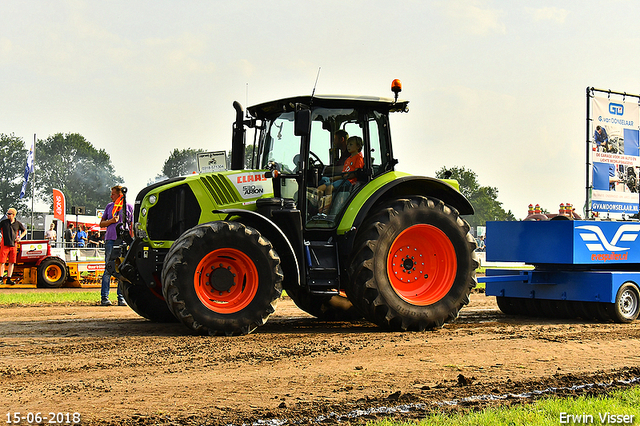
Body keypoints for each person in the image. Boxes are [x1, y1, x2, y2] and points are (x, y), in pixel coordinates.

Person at [99, 185, 133, 306]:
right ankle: (104, 297)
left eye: (113, 194)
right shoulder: (109, 206)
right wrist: (111, 221)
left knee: (121, 268)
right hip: (110, 240)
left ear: (120, 195)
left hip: (123, 240)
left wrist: (132, 240)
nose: (111, 196)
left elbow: (132, 224)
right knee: (109, 267)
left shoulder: (129, 207)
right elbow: (101, 223)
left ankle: (121, 297)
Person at [317, 136, 364, 214]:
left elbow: (354, 174)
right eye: (348, 144)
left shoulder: (358, 158)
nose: (348, 146)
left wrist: (337, 177)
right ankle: (319, 209)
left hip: (349, 181)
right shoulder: (348, 159)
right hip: (343, 179)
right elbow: (344, 173)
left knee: (329, 188)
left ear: (358, 146)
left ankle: (325, 213)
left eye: (351, 144)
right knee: (320, 188)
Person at [0, 208, 27, 285]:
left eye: (9, 214)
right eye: (7, 213)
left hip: (13, 244)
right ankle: (1, 278)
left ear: (13, 215)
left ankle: (9, 278)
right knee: (2, 262)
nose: (7, 215)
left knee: (12, 262)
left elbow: (25, 231)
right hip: (4, 244)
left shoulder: (18, 223)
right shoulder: (4, 222)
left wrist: (20, 237)